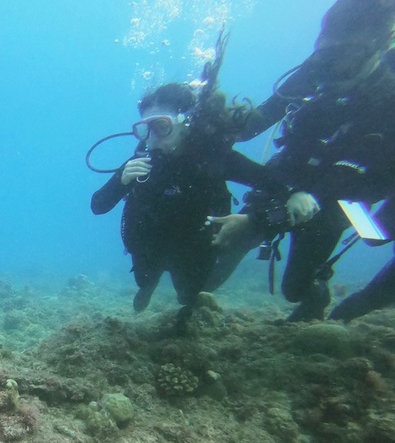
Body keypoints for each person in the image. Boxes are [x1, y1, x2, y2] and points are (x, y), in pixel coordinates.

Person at [209, 0, 395, 321]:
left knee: (297, 286)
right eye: (325, 55)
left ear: (379, 49)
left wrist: (261, 220)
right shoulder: (315, 70)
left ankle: (318, 296)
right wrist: (221, 123)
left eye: (346, 58)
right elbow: (255, 123)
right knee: (226, 246)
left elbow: (367, 182)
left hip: (340, 200)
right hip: (289, 179)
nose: (332, 69)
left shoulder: (388, 102)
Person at [91, 37, 284, 312]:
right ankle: (149, 286)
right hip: (150, 247)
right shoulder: (140, 162)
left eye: (161, 126)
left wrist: (252, 220)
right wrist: (121, 181)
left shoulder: (214, 157)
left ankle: (197, 284)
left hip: (195, 247)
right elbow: (98, 206)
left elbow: (276, 184)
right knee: (144, 279)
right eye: (145, 129)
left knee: (190, 296)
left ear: (186, 122)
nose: (152, 139)